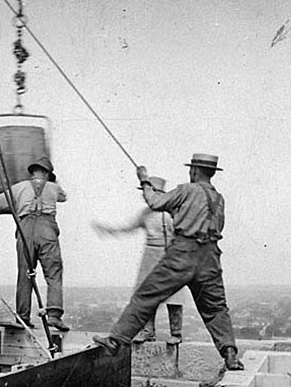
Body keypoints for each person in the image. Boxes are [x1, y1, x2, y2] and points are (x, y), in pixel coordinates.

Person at [93, 154, 244, 371]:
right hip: (210, 256)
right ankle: (230, 354)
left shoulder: (186, 190)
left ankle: (116, 340)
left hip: (183, 253)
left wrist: (144, 180)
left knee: (145, 297)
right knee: (216, 309)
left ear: (194, 171)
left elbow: (154, 202)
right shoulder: (218, 199)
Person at [91, 176, 190, 345]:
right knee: (147, 294)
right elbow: (128, 227)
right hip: (150, 256)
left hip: (170, 255)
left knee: (174, 295)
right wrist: (109, 230)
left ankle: (176, 333)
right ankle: (147, 331)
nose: (144, 196)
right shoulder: (145, 214)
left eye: (147, 192)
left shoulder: (173, 211)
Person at [6, 156, 70, 331]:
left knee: (25, 274)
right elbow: (64, 197)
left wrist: (18, 204)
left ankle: (23, 317)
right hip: (47, 229)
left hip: (25, 227)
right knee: (54, 273)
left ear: (31, 172)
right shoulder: (54, 187)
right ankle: (54, 316)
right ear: (48, 173)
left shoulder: (19, 187)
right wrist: (53, 181)